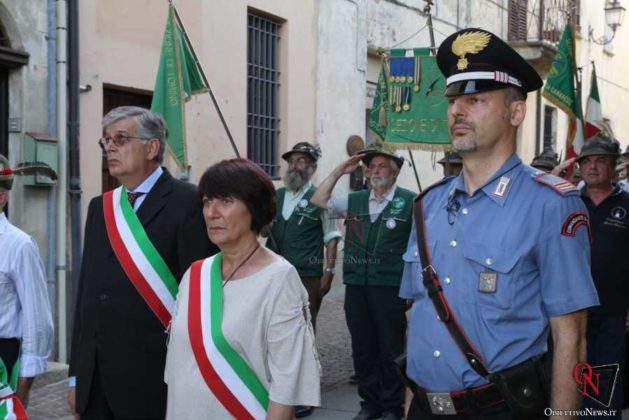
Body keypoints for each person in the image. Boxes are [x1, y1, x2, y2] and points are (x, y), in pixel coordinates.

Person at [400, 28, 598, 419]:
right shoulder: (427, 206)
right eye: (454, 100)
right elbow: (418, 319)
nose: (458, 111)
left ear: (515, 112)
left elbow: (570, 338)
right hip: (424, 407)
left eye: (475, 100)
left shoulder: (550, 205)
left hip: (500, 408)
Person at [68, 106, 217, 419]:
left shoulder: (188, 201)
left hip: (153, 377)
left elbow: (200, 297)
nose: (109, 147)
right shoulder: (101, 207)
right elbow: (87, 297)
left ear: (152, 148)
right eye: (106, 140)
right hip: (96, 379)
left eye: (120, 139)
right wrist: (75, 376)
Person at [165, 158, 320, 419]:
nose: (212, 212)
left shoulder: (279, 279)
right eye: (206, 201)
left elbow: (286, 384)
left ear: (255, 209)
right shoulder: (196, 274)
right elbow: (178, 367)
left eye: (225, 201)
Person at [311, 145, 414, 420]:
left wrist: (413, 288)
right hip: (357, 286)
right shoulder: (354, 200)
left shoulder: (410, 202)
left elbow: (418, 248)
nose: (374, 171)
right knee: (363, 347)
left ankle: (393, 405)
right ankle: (370, 403)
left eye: (381, 166)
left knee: (391, 348)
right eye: (370, 166)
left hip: (390, 286)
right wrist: (339, 171)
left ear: (394, 172)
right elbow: (319, 199)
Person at [267, 142, 341, 418]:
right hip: (273, 274)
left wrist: (329, 272)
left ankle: (304, 394)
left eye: (302, 161)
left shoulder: (322, 197)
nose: (296, 166)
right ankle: (275, 386)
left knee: (303, 332)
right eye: (293, 161)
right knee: (273, 330)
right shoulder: (275, 196)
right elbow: (263, 228)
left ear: (312, 168)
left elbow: (331, 238)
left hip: (306, 276)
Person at [577, 134, 629, 416]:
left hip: (612, 312)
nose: (593, 167)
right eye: (587, 161)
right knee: (572, 377)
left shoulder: (627, 204)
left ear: (614, 167)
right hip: (571, 311)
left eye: (601, 161)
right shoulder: (567, 203)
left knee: (606, 380)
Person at [0, 154, 53, 413]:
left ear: (1, 198)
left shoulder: (19, 246)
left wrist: (21, 393)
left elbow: (37, 319)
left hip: (3, 363)